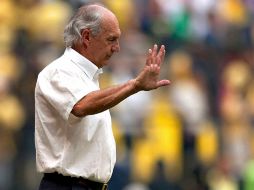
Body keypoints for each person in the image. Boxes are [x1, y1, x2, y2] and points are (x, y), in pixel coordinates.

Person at [35, 3, 170, 190]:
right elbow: (81, 106)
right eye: (111, 39)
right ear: (87, 36)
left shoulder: (88, 77)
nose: (117, 48)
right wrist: (134, 85)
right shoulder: (59, 71)